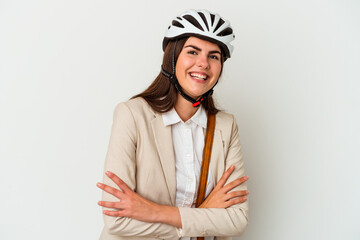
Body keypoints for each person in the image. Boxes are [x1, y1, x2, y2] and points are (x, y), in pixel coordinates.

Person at [96, 9, 249, 240]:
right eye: (193, 52)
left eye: (213, 56)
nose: (203, 63)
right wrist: (203, 216)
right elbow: (117, 220)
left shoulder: (226, 126)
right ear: (173, 57)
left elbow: (236, 220)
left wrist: (155, 212)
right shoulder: (132, 115)